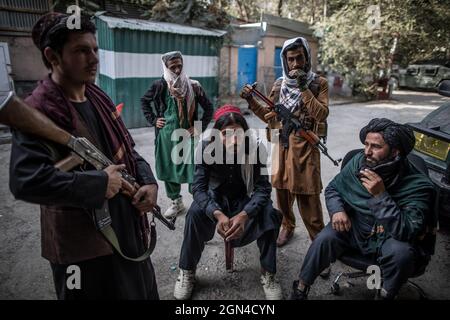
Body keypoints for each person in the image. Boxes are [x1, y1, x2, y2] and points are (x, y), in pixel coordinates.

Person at [9, 13, 159, 300]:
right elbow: (25, 181)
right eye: (81, 50)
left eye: (95, 50)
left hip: (127, 228)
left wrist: (148, 182)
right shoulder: (38, 110)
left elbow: (129, 148)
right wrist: (99, 183)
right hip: (83, 248)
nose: (93, 59)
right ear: (52, 56)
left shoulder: (98, 95)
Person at [290, 118, 435, 300]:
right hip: (356, 228)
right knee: (324, 238)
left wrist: (381, 196)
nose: (367, 151)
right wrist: (337, 211)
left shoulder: (417, 185)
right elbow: (334, 189)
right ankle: (301, 287)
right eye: (366, 144)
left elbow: (406, 230)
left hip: (390, 236)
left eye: (375, 146)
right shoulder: (359, 162)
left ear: (395, 151)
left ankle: (386, 293)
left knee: (401, 254)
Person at [173, 105, 283, 300]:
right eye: (226, 133)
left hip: (243, 198)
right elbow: (198, 188)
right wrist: (216, 212)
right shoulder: (206, 148)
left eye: (238, 133)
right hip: (215, 198)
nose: (233, 139)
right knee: (194, 213)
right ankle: (187, 271)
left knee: (268, 213)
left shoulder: (256, 148)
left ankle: (269, 273)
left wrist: (245, 214)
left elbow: (263, 188)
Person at [241, 37, 329, 247]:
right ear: (285, 61)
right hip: (281, 147)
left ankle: (319, 243)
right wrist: (251, 100)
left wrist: (304, 88)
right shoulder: (280, 85)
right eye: (291, 59)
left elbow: (322, 115)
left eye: (300, 58)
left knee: (309, 198)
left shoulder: (318, 83)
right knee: (282, 193)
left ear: (307, 58)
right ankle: (287, 226)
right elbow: (269, 116)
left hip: (306, 148)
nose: (296, 64)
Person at [141, 51, 213, 219]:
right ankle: (176, 202)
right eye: (173, 67)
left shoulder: (193, 86)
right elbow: (144, 101)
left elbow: (209, 108)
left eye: (180, 65)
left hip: (188, 135)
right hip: (166, 136)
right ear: (166, 67)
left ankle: (198, 201)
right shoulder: (159, 85)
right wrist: (153, 120)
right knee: (168, 168)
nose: (177, 70)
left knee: (193, 168)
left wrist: (199, 127)